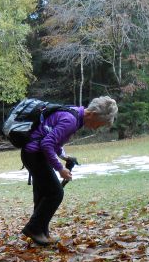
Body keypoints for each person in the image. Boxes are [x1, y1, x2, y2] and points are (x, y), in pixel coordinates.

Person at [21, 96, 118, 246]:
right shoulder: (71, 120)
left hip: (33, 154)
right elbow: (47, 143)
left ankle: (41, 233)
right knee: (55, 193)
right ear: (92, 114)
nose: (98, 127)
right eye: (100, 124)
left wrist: (63, 156)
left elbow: (52, 137)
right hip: (35, 155)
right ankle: (33, 229)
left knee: (43, 194)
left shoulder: (74, 113)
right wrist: (60, 169)